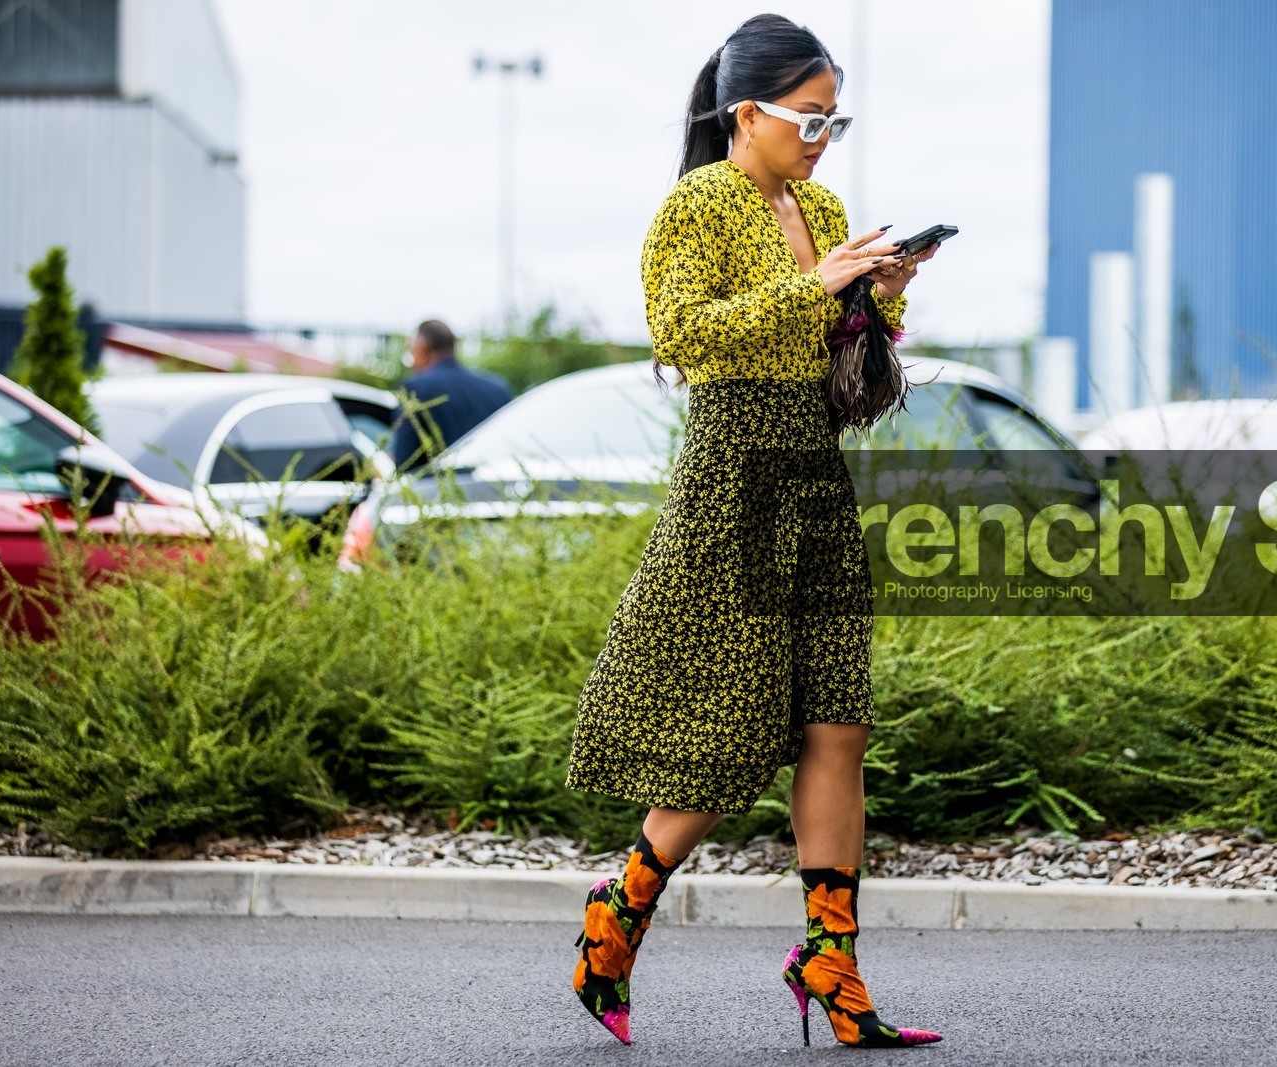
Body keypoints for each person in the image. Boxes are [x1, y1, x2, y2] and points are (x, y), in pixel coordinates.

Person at [564, 13, 943, 1049]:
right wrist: (813, 283)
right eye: (809, 119)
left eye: (835, 121)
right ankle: (617, 913)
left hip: (814, 470)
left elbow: (835, 346)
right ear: (748, 113)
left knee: (840, 723)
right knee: (728, 738)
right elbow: (680, 332)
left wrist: (877, 299)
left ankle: (832, 959)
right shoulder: (695, 206)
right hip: (733, 473)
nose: (824, 141)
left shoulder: (817, 205)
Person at [386, 319, 512, 472]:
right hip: (492, 490)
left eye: (411, 354)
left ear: (421, 349)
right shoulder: (497, 389)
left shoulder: (414, 389)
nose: (412, 363)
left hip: (436, 492)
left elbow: (405, 463)